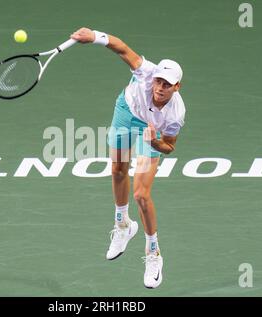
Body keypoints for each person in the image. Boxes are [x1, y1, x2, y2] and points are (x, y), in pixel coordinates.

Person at [71, 27, 185, 289]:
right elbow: (121, 47)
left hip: (152, 132)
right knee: (118, 170)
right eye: (158, 81)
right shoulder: (145, 73)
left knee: (141, 195)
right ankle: (123, 224)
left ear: (176, 87)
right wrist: (95, 37)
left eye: (167, 84)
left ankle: (153, 254)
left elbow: (170, 146)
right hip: (127, 110)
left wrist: (154, 141)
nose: (160, 87)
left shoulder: (175, 115)